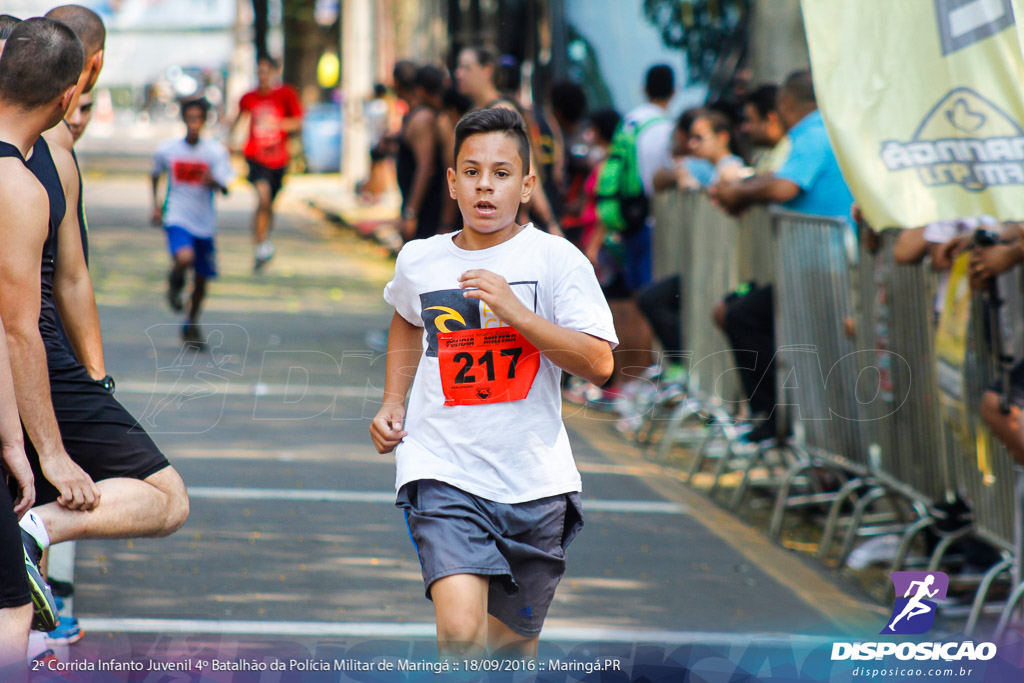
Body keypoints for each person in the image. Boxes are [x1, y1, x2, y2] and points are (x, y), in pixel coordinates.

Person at [370, 108, 616, 658]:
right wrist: (393, 401)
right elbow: (408, 317)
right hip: (444, 469)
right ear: (452, 181)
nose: (486, 185)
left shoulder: (556, 260)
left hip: (533, 482)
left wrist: (516, 311)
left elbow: (599, 364)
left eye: (502, 173)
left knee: (509, 658)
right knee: (460, 638)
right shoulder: (421, 259)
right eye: (472, 171)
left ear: (527, 185)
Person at [0, 20, 189, 644]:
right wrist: (45, 448)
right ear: (66, 97)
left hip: (40, 364)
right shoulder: (19, 185)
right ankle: (31, 546)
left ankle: (33, 552)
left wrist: (96, 377)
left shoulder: (52, 162)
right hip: (27, 360)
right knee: (164, 498)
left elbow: (72, 278)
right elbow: (17, 329)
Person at [709, 70, 854, 442]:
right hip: (817, 266)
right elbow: (774, 178)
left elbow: (784, 185)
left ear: (786, 105)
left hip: (827, 268)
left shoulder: (813, 133)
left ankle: (811, 446)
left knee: (824, 364)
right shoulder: (820, 131)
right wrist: (742, 189)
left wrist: (738, 193)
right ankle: (791, 434)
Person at [454, 47, 563, 236]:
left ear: (487, 70)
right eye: (459, 67)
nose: (459, 74)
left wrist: (549, 222)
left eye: (466, 68)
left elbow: (527, 167)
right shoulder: (473, 111)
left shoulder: (501, 109)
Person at [151, 98, 234, 347]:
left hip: (204, 223)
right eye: (191, 118)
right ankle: (175, 280)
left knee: (201, 281)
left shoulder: (215, 152)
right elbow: (155, 174)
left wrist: (214, 182)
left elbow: (226, 187)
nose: (195, 124)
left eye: (199, 119)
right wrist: (156, 205)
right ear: (185, 120)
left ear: (206, 121)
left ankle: (191, 322)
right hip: (177, 216)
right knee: (184, 258)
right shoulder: (168, 150)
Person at [231, 55, 302, 271]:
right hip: (256, 157)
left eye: (266, 71)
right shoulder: (248, 98)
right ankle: (260, 246)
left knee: (269, 204)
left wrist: (278, 124)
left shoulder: (286, 95)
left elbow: (298, 123)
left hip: (279, 159)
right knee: (263, 198)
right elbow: (238, 122)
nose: (262, 76)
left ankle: (264, 240)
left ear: (273, 73)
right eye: (259, 71)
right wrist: (231, 144)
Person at [396, 65, 445, 242]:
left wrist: (411, 212)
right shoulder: (422, 115)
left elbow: (426, 168)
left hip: (426, 208)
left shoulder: (424, 118)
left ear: (420, 91)